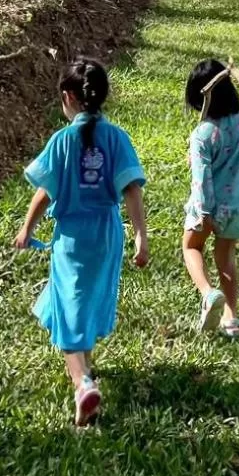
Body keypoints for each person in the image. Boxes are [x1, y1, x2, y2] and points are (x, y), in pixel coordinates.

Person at [14, 59, 148, 425]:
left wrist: (27, 228)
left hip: (72, 237)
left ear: (67, 97)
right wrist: (141, 235)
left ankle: (82, 382)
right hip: (107, 234)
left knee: (66, 310)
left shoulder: (62, 141)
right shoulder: (117, 138)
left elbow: (44, 192)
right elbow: (132, 190)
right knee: (77, 303)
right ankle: (85, 369)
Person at [182, 59, 239, 337]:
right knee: (225, 257)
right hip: (237, 205)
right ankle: (232, 318)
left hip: (211, 208)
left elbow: (202, 179)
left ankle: (208, 293)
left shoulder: (202, 135)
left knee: (191, 247)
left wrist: (202, 214)